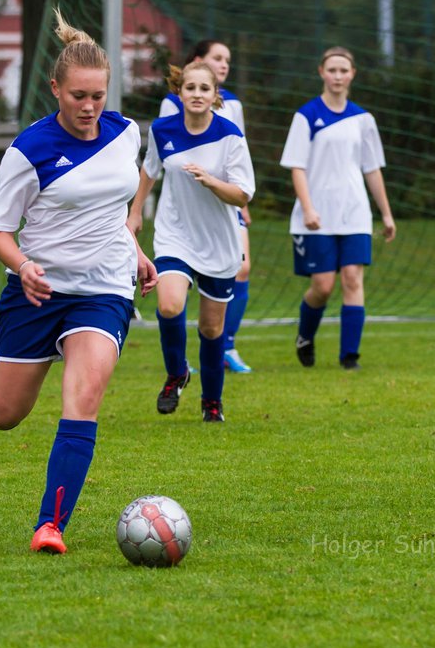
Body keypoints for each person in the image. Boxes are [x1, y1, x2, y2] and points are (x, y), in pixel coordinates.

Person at [0, 9, 157, 556]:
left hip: (105, 288)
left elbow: (112, 211)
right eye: (79, 96)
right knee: (9, 416)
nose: (90, 107)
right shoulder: (30, 150)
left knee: (85, 394)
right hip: (37, 291)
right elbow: (0, 232)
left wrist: (136, 251)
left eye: (98, 95)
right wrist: (23, 265)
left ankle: (50, 525)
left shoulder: (125, 135)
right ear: (56, 89)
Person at [128, 62, 256, 423]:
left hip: (219, 241)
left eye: (204, 89)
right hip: (175, 235)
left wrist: (212, 181)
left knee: (211, 329)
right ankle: (176, 373)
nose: (197, 94)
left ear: (216, 95)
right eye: (190, 88)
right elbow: (150, 171)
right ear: (179, 93)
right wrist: (135, 213)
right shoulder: (162, 129)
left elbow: (243, 194)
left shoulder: (230, 135)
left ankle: (211, 402)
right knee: (169, 305)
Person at [279, 46, 395, 370]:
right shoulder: (306, 115)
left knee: (353, 279)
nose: (338, 76)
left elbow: (372, 169)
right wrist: (308, 208)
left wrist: (385, 213)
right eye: (332, 70)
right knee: (322, 286)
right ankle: (305, 335)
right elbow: (296, 167)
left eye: (344, 70)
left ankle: (349, 357)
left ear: (352, 74)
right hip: (316, 217)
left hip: (355, 214)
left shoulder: (363, 119)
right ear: (321, 72)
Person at [159, 40, 256, 374]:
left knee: (242, 268)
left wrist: (236, 195)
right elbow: (160, 160)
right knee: (172, 301)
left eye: (228, 60)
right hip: (184, 214)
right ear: (196, 62)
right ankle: (181, 366)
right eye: (218, 58)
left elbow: (239, 159)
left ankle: (226, 343)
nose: (224, 64)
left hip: (224, 203)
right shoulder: (172, 107)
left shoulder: (233, 109)